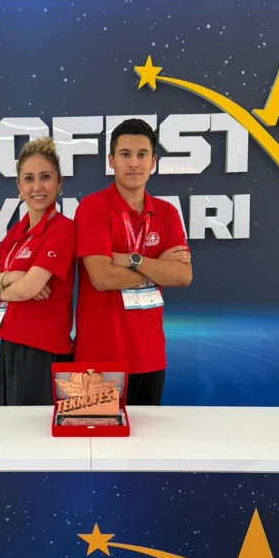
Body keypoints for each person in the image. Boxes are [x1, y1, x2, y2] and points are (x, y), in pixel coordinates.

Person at [74, 118, 192, 405]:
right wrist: (157, 266)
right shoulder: (93, 207)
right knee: (97, 436)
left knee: (146, 436)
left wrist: (131, 260)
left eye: (142, 154)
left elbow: (183, 276)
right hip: (99, 360)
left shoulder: (167, 213)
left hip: (150, 356)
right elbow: (102, 279)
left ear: (153, 161)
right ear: (111, 160)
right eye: (125, 154)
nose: (134, 163)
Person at [0, 137, 76, 405]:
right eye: (29, 179)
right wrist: (12, 278)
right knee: (10, 428)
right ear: (19, 186)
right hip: (10, 347)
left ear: (59, 182)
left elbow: (29, 289)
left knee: (36, 431)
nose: (37, 187)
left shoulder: (63, 229)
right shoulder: (16, 233)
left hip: (43, 352)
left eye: (45, 177)